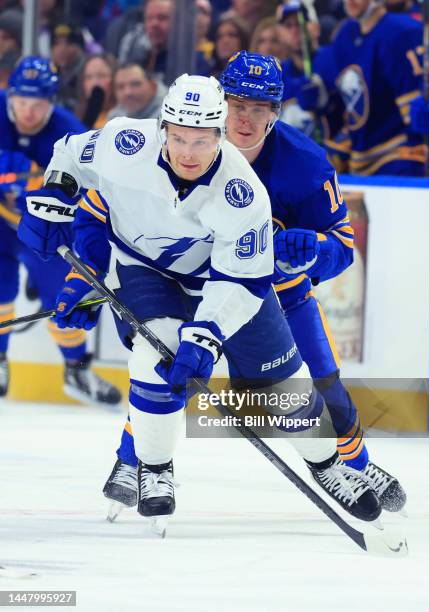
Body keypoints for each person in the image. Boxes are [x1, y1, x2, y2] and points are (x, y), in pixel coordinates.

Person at [19, 73, 381, 531]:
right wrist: (57, 191)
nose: (189, 152)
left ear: (219, 135)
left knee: (283, 386)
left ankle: (326, 462)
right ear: (163, 128)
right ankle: (154, 467)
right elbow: (70, 153)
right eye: (179, 138)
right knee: (157, 356)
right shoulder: (124, 141)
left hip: (220, 279)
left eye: (202, 141)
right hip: (144, 269)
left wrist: (206, 338)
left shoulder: (243, 193)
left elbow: (240, 281)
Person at [101, 53, 406, 517]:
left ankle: (353, 465)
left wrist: (315, 250)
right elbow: (110, 209)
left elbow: (342, 243)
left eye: (259, 109)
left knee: (319, 380)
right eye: (237, 105)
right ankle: (136, 461)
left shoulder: (305, 164)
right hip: (193, 287)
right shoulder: (178, 146)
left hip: (278, 294)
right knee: (166, 361)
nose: (245, 119)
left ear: (276, 113)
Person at [0, 56, 121, 407]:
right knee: (0, 290)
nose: (28, 112)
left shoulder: (70, 132)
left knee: (64, 298)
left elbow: (89, 190)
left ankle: (76, 369)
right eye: (21, 102)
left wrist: (38, 177)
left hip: (48, 228)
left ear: (51, 102)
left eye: (37, 104)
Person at [296, 0, 425, 176]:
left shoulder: (402, 32)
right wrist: (320, 96)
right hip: (359, 157)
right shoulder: (346, 34)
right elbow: (342, 99)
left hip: (398, 155)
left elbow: (419, 114)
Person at [76, 53, 118, 129]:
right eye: (88, 77)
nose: (94, 83)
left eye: (101, 76)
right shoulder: (76, 119)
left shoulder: (126, 116)